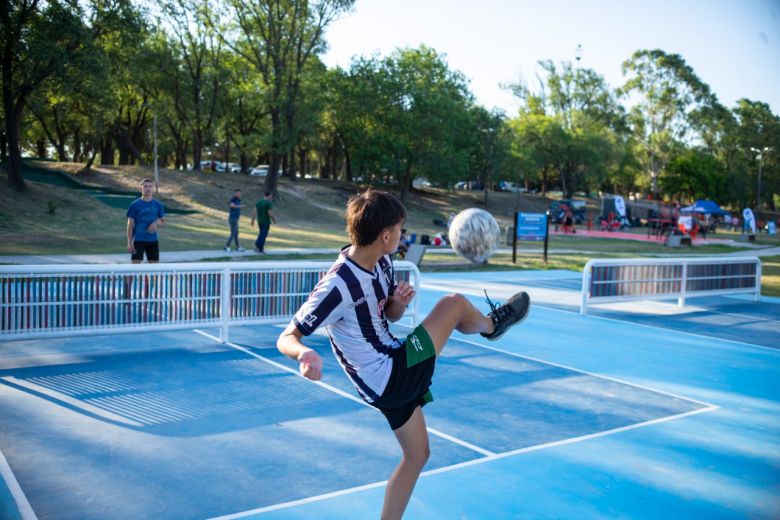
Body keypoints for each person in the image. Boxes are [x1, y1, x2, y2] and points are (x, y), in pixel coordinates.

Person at [276, 189, 531, 520]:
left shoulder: (382, 262)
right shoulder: (337, 285)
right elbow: (287, 336)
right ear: (385, 236)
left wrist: (398, 303)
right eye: (400, 228)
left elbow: (390, 318)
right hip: (392, 373)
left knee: (417, 456)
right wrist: (303, 353)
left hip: (384, 381)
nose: (402, 234)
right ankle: (491, 325)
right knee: (452, 304)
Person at [126, 178, 165, 263]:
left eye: (150, 186)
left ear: (153, 189)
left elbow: (163, 222)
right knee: (135, 268)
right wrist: (129, 242)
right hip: (138, 240)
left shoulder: (158, 204)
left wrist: (156, 223)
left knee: (154, 269)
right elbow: (130, 225)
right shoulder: (135, 205)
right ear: (141, 189)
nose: (148, 188)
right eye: (145, 186)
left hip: (153, 240)